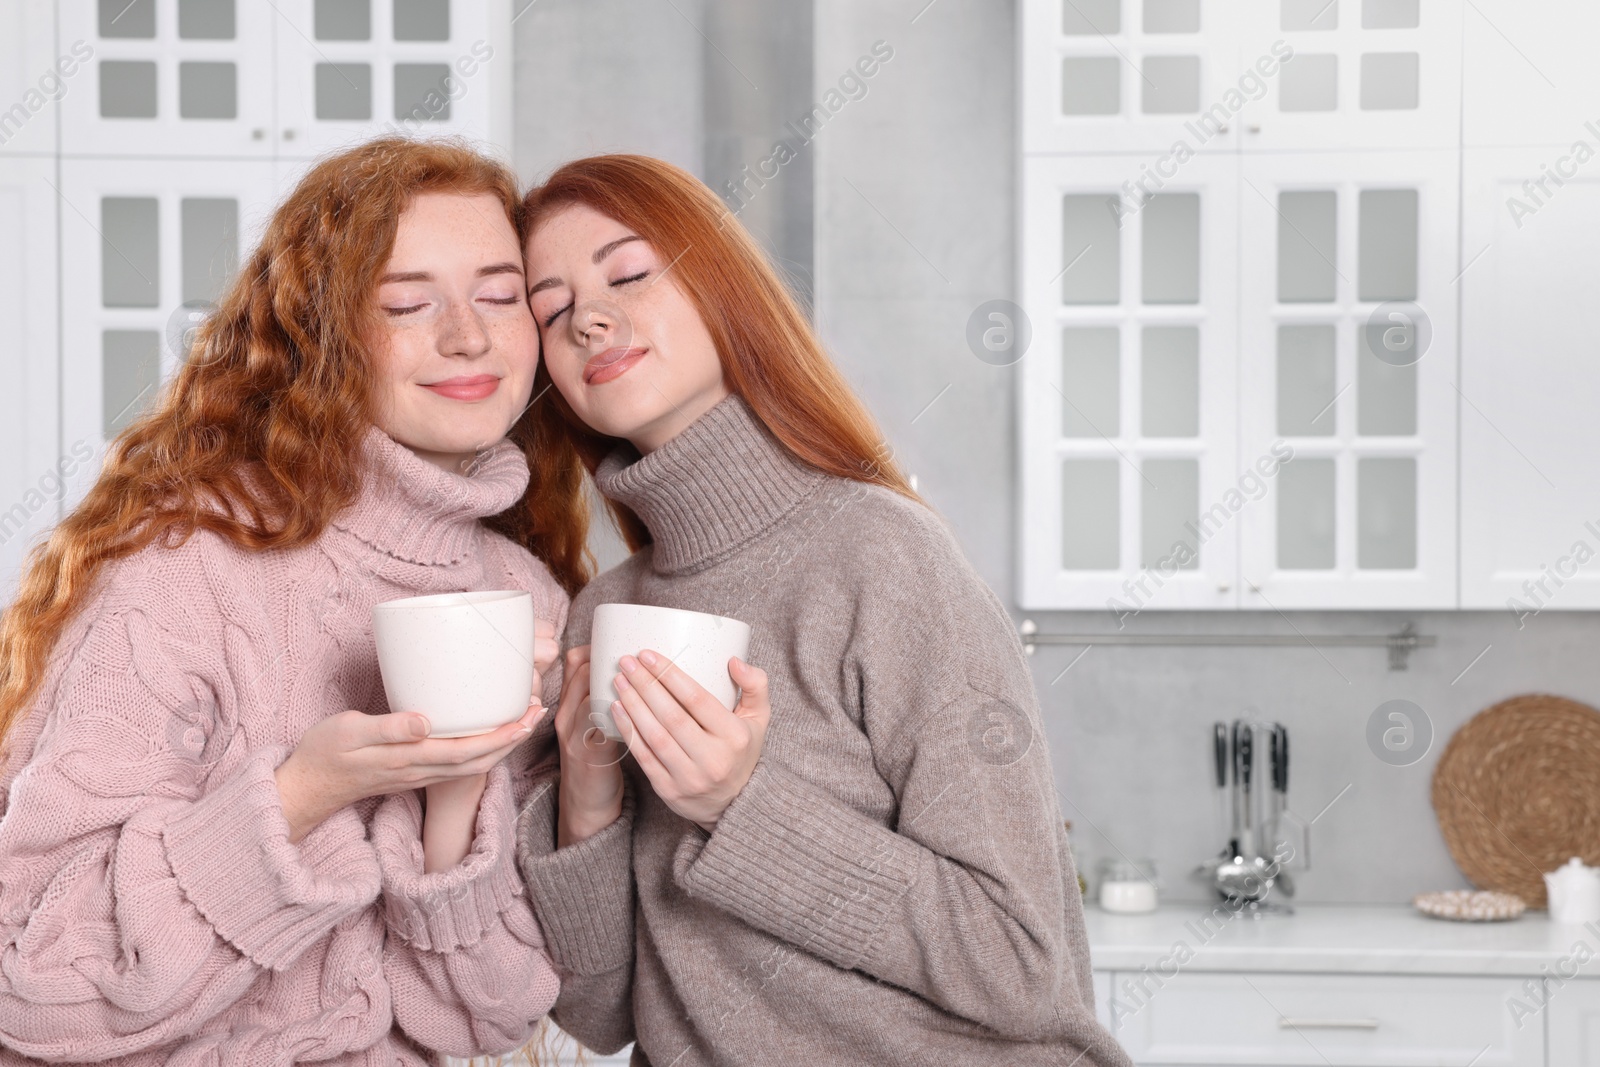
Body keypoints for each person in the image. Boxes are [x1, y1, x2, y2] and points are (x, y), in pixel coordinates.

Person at [514, 154, 1133, 1066]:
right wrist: (587, 796)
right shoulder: (603, 615)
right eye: (550, 309)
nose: (589, 317)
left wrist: (737, 806)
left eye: (630, 272)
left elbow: (1022, 961)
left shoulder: (883, 555)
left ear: (721, 285)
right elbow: (602, 1016)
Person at [0, 137, 585, 1065]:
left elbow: (491, 1017)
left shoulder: (524, 597)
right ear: (324, 337)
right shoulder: (187, 564)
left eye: (500, 293)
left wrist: (456, 793)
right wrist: (304, 792)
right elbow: (30, 981)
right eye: (405, 302)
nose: (467, 335)